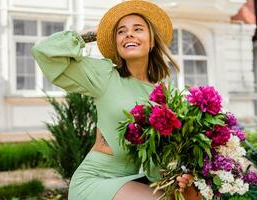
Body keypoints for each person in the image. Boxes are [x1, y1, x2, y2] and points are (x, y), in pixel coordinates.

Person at [32, 1, 201, 199]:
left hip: (132, 180)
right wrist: (96, 34)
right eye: (121, 31)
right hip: (95, 180)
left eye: (138, 29)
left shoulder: (162, 95)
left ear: (152, 40)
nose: (128, 34)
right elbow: (44, 51)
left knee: (189, 195)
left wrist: (183, 179)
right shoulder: (105, 75)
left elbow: (158, 160)